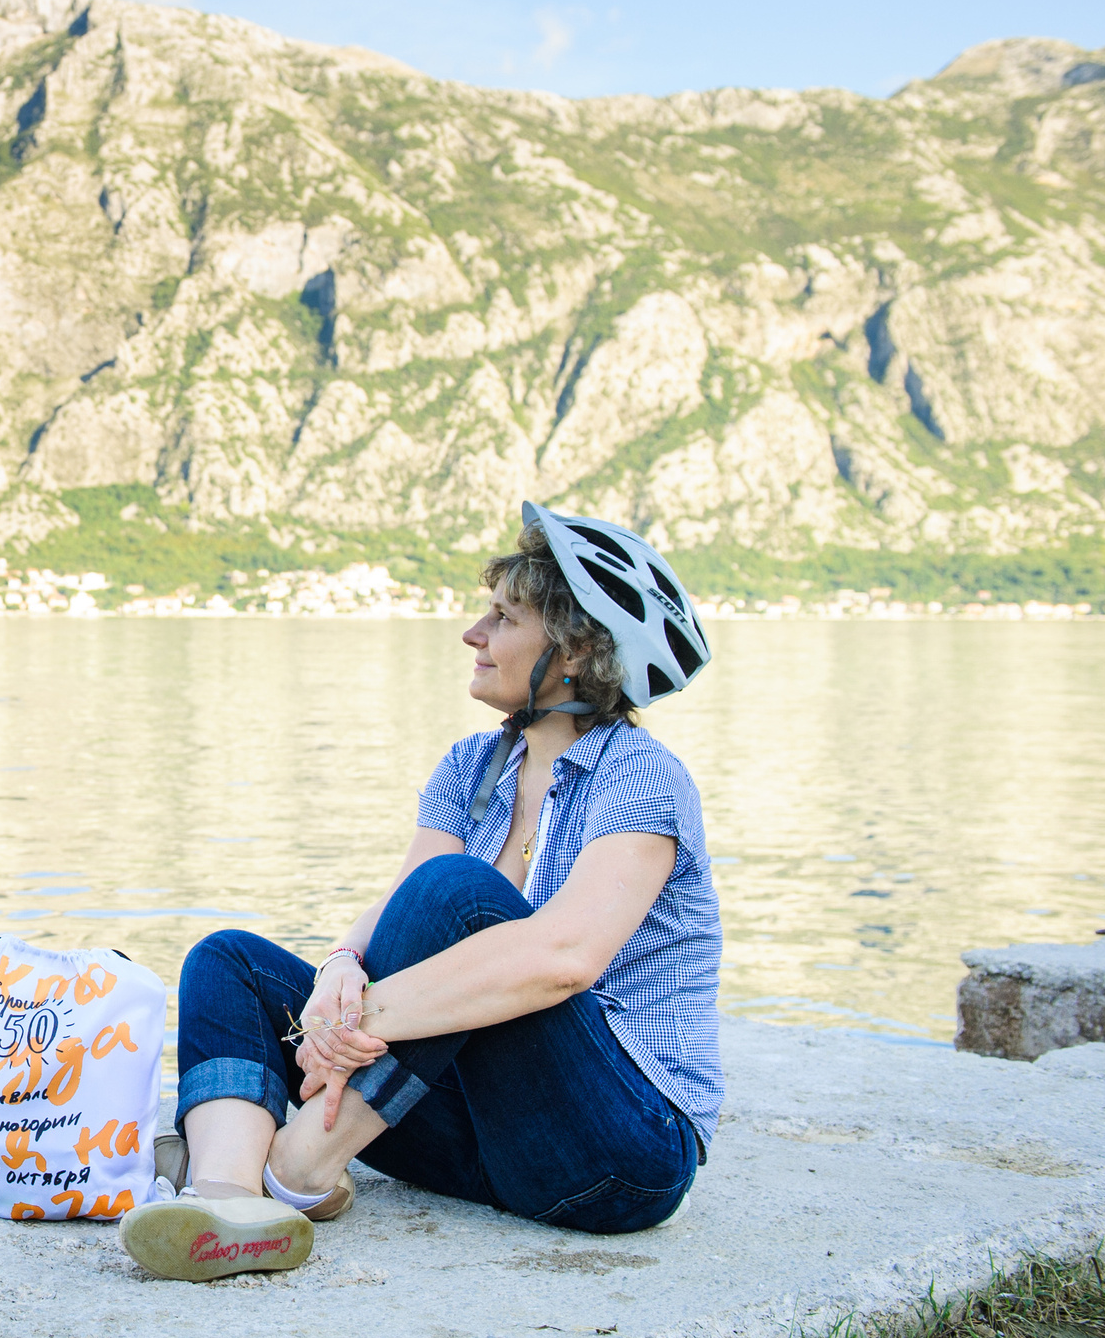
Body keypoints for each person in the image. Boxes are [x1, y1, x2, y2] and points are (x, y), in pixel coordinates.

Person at [119, 503, 721, 1282]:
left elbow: (564, 957)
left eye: (502, 618)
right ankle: (227, 1203)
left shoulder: (641, 776)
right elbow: (402, 902)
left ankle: (296, 1171)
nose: (474, 634)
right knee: (229, 961)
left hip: (615, 1150)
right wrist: (340, 966)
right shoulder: (473, 764)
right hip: (479, 1136)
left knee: (460, 895)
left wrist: (353, 1023)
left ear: (573, 651)